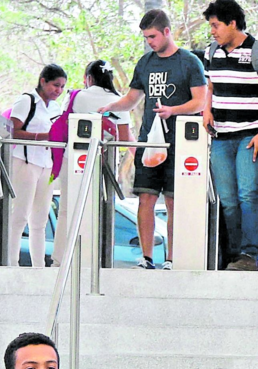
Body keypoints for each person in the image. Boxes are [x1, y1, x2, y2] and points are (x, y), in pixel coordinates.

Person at [99, 9, 208, 270]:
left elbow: (200, 101)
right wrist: (110, 107)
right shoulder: (145, 63)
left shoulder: (189, 62)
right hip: (150, 142)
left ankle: (171, 258)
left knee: (172, 202)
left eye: (153, 36)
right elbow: (132, 99)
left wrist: (173, 110)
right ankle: (146, 257)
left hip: (181, 143)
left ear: (167, 32)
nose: (150, 42)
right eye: (146, 38)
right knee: (145, 198)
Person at [202, 0, 258, 272]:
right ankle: (233, 255)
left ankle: (250, 254)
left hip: (252, 137)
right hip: (221, 137)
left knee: (249, 195)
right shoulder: (211, 52)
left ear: (232, 23)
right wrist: (206, 110)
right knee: (227, 199)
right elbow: (210, 86)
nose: (212, 31)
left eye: (216, 25)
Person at [57, 60, 137, 266]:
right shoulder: (119, 101)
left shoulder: (76, 96)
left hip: (73, 158)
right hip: (104, 161)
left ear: (89, 78)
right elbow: (125, 137)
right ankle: (94, 259)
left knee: (67, 208)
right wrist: (141, 158)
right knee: (99, 208)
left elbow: (62, 123)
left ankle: (59, 258)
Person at [7, 64, 67, 268]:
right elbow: (13, 131)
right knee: (20, 215)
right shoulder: (27, 100)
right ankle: (12, 263)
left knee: (40, 220)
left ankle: (39, 267)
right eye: (55, 85)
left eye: (62, 87)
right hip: (25, 162)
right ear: (43, 81)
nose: (58, 90)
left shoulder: (56, 108)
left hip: (47, 165)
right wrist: (44, 137)